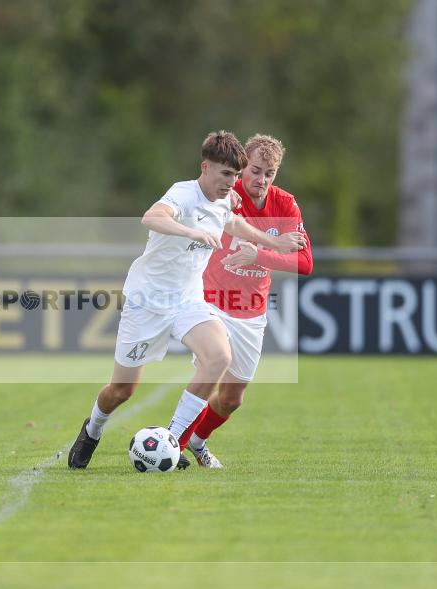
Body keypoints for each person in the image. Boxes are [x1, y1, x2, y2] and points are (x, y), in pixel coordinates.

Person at [68, 131, 307, 470]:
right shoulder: (183, 193)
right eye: (226, 174)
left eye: (236, 176)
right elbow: (151, 217)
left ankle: (173, 441)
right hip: (147, 300)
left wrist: (275, 244)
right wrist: (191, 232)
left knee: (219, 356)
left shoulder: (226, 199)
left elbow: (233, 223)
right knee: (121, 390)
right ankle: (92, 430)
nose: (232, 182)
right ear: (205, 167)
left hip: (187, 299)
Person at [178, 133, 313, 468]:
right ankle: (171, 445)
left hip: (251, 312)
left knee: (232, 399)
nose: (261, 180)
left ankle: (197, 441)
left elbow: (305, 262)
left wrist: (260, 257)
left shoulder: (285, 204)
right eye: (254, 171)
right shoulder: (227, 194)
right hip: (211, 301)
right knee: (211, 369)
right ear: (242, 168)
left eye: (269, 173)